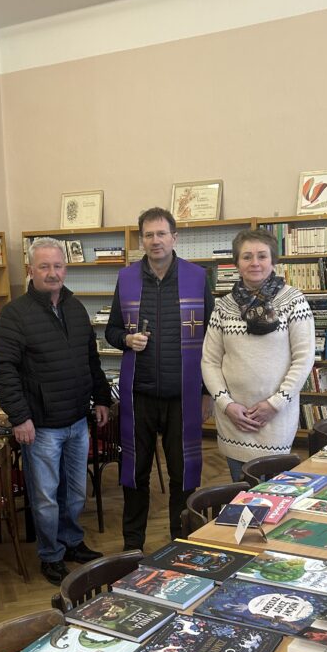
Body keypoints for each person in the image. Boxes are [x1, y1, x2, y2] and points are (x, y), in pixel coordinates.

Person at [0, 237, 111, 584]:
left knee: (74, 493)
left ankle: (71, 541)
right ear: (31, 270)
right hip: (41, 426)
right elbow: (2, 369)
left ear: (65, 269)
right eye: (44, 266)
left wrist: (102, 398)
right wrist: (20, 417)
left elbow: (91, 359)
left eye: (57, 266)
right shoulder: (15, 314)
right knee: (45, 498)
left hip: (77, 420)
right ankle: (50, 555)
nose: (52, 273)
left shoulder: (75, 308)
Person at [106, 208, 214, 549]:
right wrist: (126, 339)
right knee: (134, 473)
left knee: (183, 473)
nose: (156, 240)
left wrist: (207, 392)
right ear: (142, 240)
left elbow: (213, 341)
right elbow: (111, 330)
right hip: (139, 395)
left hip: (183, 395)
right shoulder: (126, 279)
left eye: (162, 234)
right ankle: (132, 545)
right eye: (149, 235)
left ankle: (181, 541)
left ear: (174, 238)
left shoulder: (197, 277)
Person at [201, 228, 315, 480]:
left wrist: (275, 404)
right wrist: (226, 405)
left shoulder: (294, 301)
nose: (255, 263)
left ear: (273, 261)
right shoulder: (223, 307)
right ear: (237, 263)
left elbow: (304, 359)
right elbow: (209, 361)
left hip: (276, 418)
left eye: (262, 256)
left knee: (274, 495)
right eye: (247, 256)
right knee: (241, 492)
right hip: (234, 419)